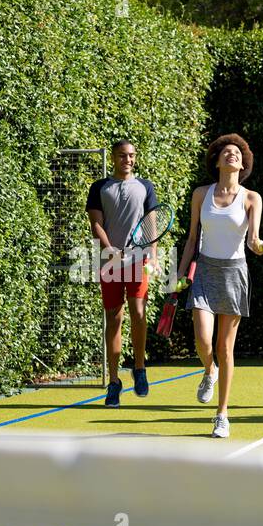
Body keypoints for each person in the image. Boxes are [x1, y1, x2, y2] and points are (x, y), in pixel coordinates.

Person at [176, 134, 263, 438]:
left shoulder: (252, 197)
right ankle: (208, 370)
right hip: (204, 271)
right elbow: (192, 238)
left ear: (243, 164)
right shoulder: (201, 194)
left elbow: (253, 238)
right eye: (226, 152)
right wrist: (179, 274)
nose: (232, 155)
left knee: (224, 348)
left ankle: (222, 415)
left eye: (237, 153)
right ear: (216, 161)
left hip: (234, 274)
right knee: (203, 341)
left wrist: (257, 245)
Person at [86, 140, 158, 407]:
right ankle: (114, 382)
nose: (127, 160)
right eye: (122, 156)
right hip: (110, 261)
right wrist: (110, 249)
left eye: (131, 156)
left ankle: (139, 368)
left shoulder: (145, 187)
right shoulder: (99, 188)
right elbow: (96, 224)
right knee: (114, 319)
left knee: (139, 313)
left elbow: (152, 224)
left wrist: (154, 255)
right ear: (114, 158)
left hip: (139, 261)